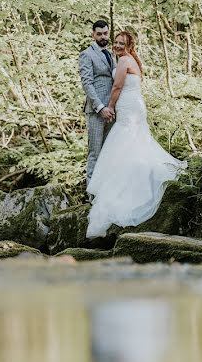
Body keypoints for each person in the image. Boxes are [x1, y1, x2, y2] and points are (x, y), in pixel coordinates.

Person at [86, 31, 186, 238]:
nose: (118, 45)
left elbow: (117, 86)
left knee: (124, 144)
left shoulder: (124, 60)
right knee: (135, 144)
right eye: (116, 42)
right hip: (134, 105)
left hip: (128, 107)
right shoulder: (131, 60)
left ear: (129, 45)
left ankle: (127, 188)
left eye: (122, 43)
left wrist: (110, 107)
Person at [78, 20, 116, 184]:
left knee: (109, 152)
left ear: (109, 33)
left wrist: (112, 107)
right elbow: (87, 83)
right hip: (96, 111)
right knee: (95, 152)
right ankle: (92, 195)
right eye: (99, 34)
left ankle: (105, 190)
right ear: (93, 34)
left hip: (112, 111)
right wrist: (101, 108)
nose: (102, 37)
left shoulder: (112, 54)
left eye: (105, 33)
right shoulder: (87, 54)